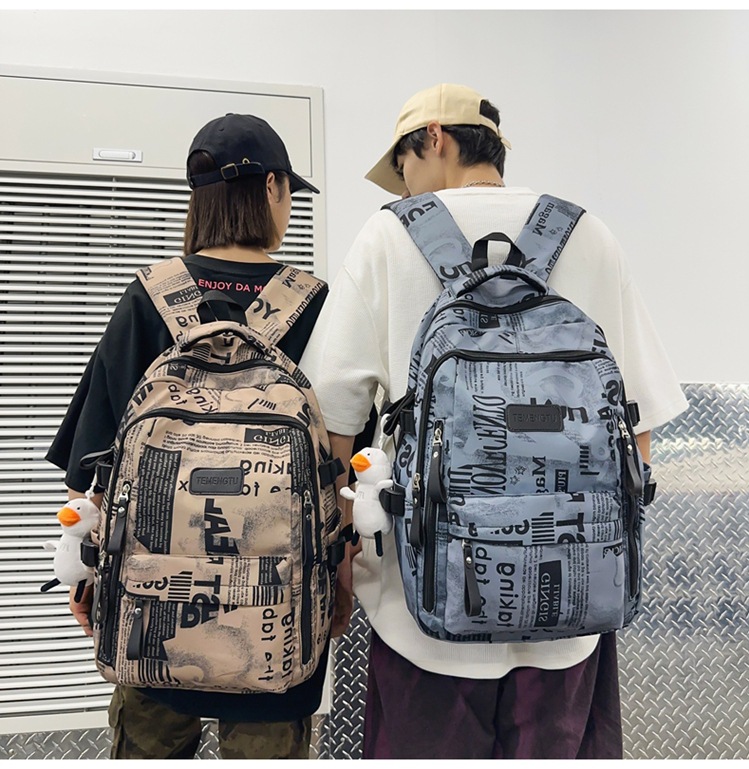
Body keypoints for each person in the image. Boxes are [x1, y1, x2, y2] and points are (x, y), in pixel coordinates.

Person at [299, 83, 689, 759]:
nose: (404, 187)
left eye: (403, 166)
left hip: (422, 613)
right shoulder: (588, 234)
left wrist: (342, 550)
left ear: (435, 138)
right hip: (569, 617)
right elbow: (638, 421)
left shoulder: (387, 236)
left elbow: (331, 418)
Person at [46, 113, 329, 760]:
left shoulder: (150, 296)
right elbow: (340, 468)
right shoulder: (313, 303)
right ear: (272, 187)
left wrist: (84, 576)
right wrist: (337, 584)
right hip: (277, 622)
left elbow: (89, 465)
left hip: (150, 616)